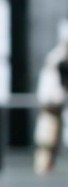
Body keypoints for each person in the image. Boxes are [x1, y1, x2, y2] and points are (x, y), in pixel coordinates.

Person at [34, 19, 68, 174]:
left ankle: (45, 166)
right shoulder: (58, 58)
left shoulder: (57, 56)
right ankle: (44, 167)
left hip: (53, 100)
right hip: (52, 100)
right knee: (48, 133)